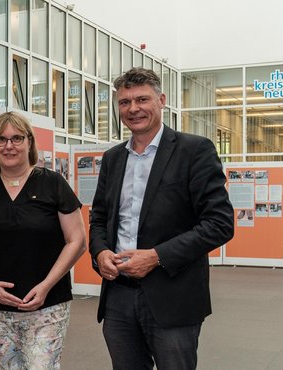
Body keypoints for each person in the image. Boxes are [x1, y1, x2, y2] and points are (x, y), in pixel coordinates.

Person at [89, 67, 234, 370]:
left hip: (173, 296)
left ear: (161, 100)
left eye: (142, 99)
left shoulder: (194, 150)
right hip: (118, 296)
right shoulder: (114, 158)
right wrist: (100, 251)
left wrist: (156, 257)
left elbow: (219, 223)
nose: (133, 109)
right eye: (125, 102)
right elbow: (99, 217)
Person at [0, 112, 86, 369]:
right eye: (0, 139)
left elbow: (77, 241)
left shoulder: (53, 183)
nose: (8, 146)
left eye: (16, 138)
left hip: (47, 306)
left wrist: (45, 285)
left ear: (29, 142)